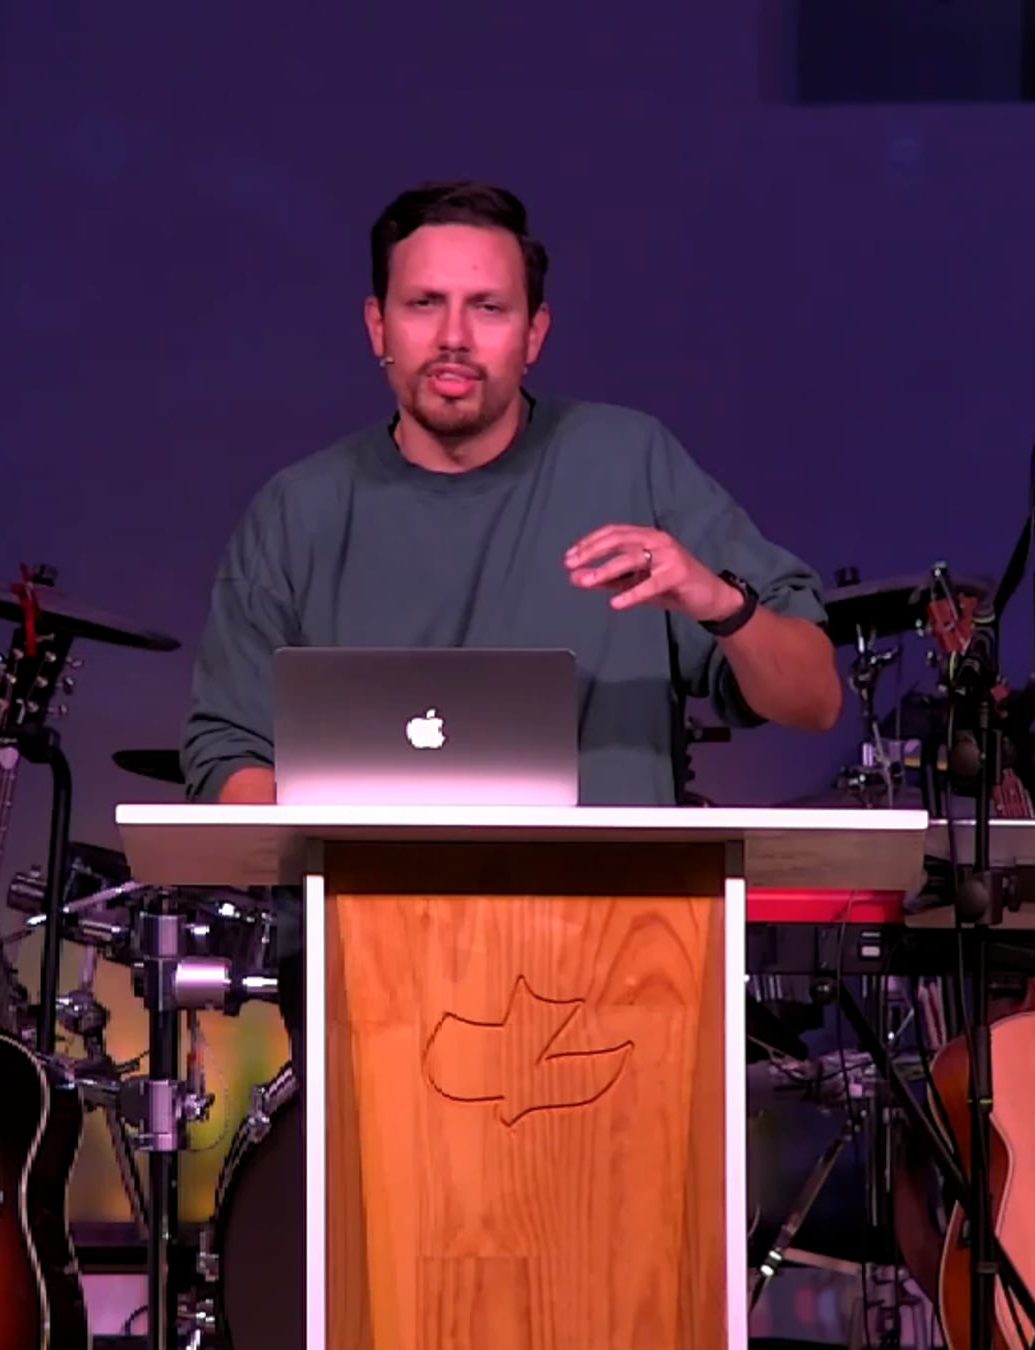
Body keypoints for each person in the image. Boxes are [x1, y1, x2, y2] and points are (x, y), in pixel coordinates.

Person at [177, 180, 842, 1061]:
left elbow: (814, 699)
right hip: (369, 980)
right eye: (425, 304)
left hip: (619, 969)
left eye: (488, 308)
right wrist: (366, 849)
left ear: (534, 334)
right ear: (378, 327)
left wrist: (719, 602)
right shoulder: (297, 512)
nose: (454, 336)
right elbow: (224, 755)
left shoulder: (630, 461)